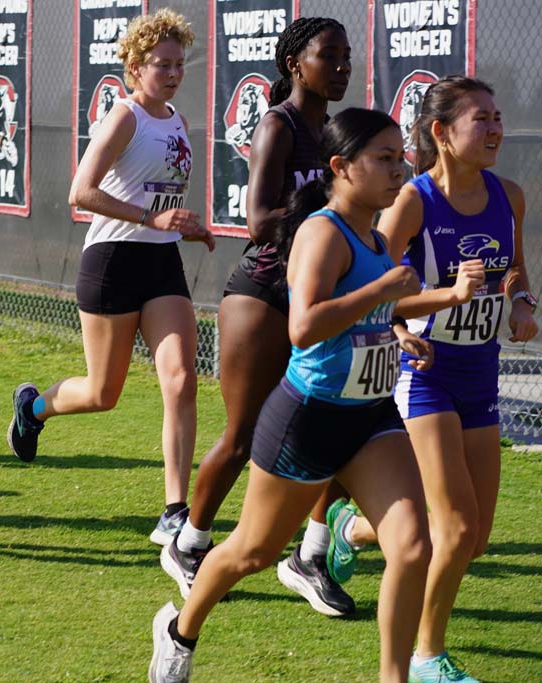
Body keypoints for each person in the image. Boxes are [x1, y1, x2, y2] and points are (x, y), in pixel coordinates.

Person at [148, 108, 434, 683]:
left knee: (412, 546)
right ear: (340, 167)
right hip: (308, 418)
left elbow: (370, 311)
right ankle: (180, 630)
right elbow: (303, 327)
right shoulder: (322, 232)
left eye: (400, 156)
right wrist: (383, 289)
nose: (397, 168)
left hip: (371, 415)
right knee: (250, 553)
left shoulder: (374, 236)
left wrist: (404, 321)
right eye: (383, 157)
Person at [327, 77, 534, 683]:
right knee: (457, 527)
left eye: (498, 117)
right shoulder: (415, 201)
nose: (495, 129)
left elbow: (515, 268)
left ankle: (353, 527)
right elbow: (375, 275)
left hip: (480, 369)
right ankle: (426, 656)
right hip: (426, 371)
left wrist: (520, 303)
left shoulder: (510, 195)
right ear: (441, 133)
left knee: (476, 540)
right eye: (481, 119)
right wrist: (395, 331)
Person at [162, 17, 366, 616]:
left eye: (348, 56)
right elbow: (255, 223)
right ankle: (189, 542)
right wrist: (320, 211)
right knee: (244, 434)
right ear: (294, 64)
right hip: (264, 291)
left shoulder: (334, 132)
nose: (342, 66)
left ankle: (309, 555)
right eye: (329, 55)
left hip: (321, 290)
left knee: (343, 425)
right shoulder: (278, 124)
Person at [6, 9, 214, 544]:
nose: (171, 73)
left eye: (178, 64)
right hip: (113, 262)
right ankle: (32, 408)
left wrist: (182, 225)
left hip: (162, 263)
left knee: (182, 379)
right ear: (135, 67)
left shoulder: (177, 121)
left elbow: (161, 196)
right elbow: (81, 192)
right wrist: (150, 218)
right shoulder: (124, 117)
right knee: (103, 393)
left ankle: (175, 508)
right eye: (160, 64)